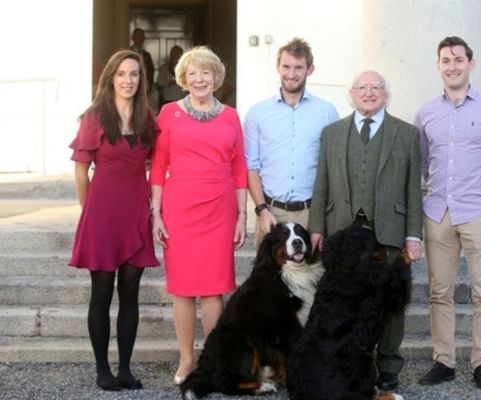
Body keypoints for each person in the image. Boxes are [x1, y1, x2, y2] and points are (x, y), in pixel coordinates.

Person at [307, 69, 422, 394]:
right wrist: (317, 226)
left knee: (389, 304)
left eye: (376, 88)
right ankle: (350, 365)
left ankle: (387, 369)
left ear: (385, 95)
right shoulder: (332, 133)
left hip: (388, 232)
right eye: (362, 88)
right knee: (346, 304)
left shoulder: (406, 133)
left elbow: (414, 189)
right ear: (351, 94)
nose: (369, 93)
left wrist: (414, 235)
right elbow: (322, 184)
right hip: (342, 234)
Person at [414, 36, 481, 391]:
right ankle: (444, 360)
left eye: (458, 59)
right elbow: (424, 162)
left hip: (476, 211)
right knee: (440, 291)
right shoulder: (426, 113)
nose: (452, 65)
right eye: (445, 60)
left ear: (471, 63)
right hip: (437, 211)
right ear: (438, 66)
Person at [149, 46, 248, 385]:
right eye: (193, 73)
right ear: (183, 79)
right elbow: (159, 166)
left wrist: (242, 216)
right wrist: (156, 213)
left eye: (205, 72)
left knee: (214, 289)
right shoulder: (167, 113)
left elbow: (239, 168)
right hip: (179, 209)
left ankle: (213, 360)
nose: (199, 78)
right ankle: (187, 359)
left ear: (215, 77)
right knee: (181, 288)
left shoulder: (232, 116)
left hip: (219, 209)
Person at [68, 49, 159, 391]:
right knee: (102, 293)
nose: (128, 80)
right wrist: (89, 210)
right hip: (102, 214)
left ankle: (125, 369)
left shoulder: (148, 118)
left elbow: (159, 163)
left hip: (136, 212)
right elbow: (80, 169)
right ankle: (102, 370)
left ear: (141, 80)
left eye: (134, 74)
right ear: (111, 77)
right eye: (121, 74)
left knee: (131, 292)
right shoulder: (95, 117)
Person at [244, 37, 339, 247]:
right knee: (268, 279)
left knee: (314, 277)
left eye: (298, 67)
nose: (291, 73)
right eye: (286, 66)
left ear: (310, 69)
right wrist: (261, 210)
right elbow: (251, 166)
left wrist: (322, 218)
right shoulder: (258, 113)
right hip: (271, 213)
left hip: (311, 214)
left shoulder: (327, 112)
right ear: (278, 67)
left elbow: (335, 167)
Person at [130, 28, 155, 93]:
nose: (140, 40)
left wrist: (149, 85)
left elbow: (151, 72)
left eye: (142, 37)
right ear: (133, 38)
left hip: (144, 88)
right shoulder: (127, 53)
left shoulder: (147, 55)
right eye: (138, 37)